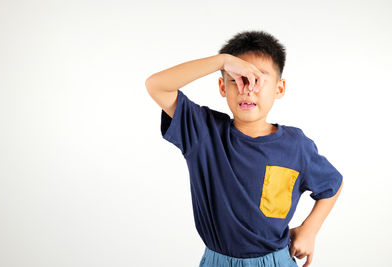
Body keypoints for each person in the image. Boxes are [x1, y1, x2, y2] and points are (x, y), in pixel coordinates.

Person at [145, 30, 343, 267]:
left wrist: (310, 229)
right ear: (222, 87)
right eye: (238, 79)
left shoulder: (296, 145)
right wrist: (222, 61)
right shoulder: (202, 131)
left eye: (258, 80)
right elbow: (156, 85)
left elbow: (332, 184)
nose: (248, 88)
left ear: (279, 89)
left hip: (276, 261)